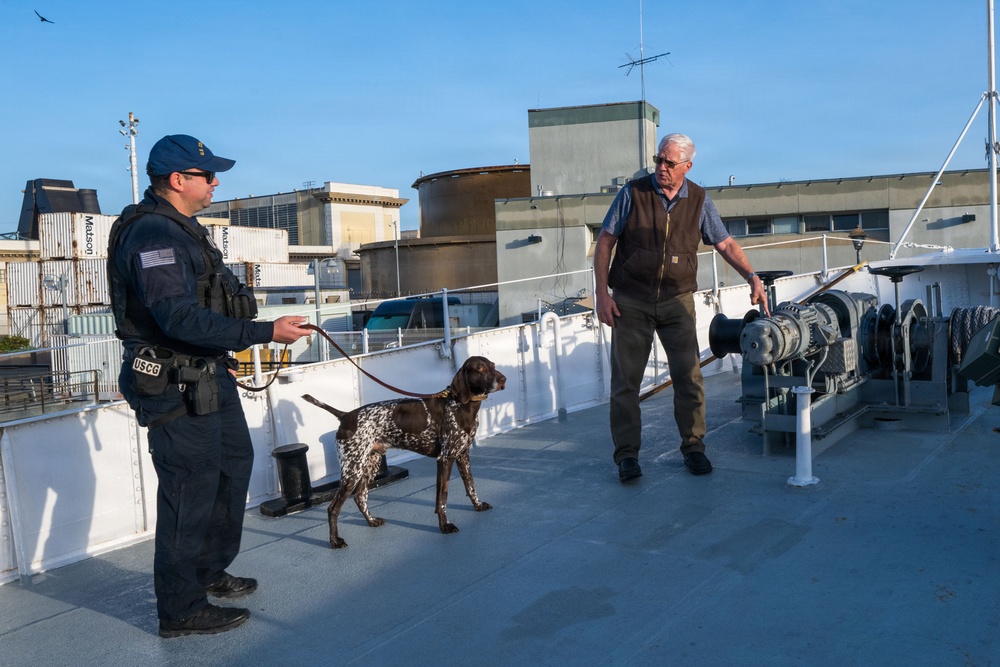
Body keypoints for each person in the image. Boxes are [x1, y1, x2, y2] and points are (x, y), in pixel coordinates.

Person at [108, 134, 311, 637]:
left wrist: (222, 354)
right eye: (207, 175)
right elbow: (176, 317)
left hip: (207, 372)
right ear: (178, 180)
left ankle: (206, 570)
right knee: (189, 490)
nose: (216, 183)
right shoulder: (153, 235)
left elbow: (205, 305)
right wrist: (264, 333)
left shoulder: (184, 229)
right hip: (174, 385)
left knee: (231, 468)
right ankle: (180, 610)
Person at [593, 133, 768, 483]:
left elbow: (724, 243)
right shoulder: (633, 193)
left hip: (677, 302)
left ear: (687, 166)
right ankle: (627, 456)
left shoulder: (699, 200)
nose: (661, 167)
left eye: (669, 163)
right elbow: (605, 241)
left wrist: (752, 276)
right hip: (631, 300)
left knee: (689, 377)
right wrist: (602, 293)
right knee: (625, 383)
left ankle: (693, 447)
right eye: (658, 160)